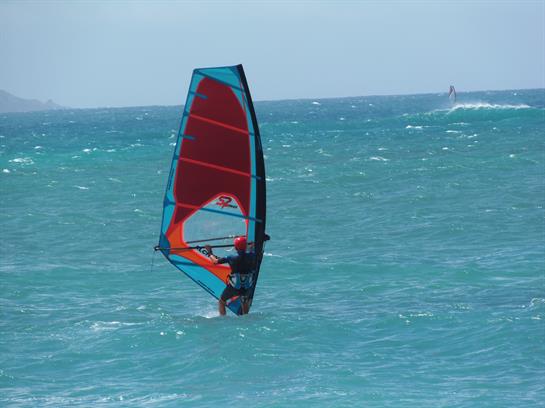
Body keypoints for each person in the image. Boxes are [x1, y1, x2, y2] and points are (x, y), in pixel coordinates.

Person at [205, 236, 256, 316]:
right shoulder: (253, 256)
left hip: (234, 287)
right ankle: (245, 318)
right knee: (244, 300)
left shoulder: (231, 257)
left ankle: (223, 318)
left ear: (235, 247)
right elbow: (251, 250)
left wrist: (209, 252)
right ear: (246, 246)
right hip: (246, 287)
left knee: (222, 301)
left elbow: (215, 261)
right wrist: (252, 245)